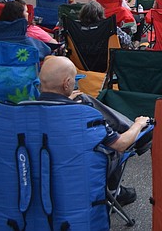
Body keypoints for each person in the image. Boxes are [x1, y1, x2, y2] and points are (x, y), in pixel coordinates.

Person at [38, 56, 150, 206]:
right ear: (66, 84)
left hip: (42, 171)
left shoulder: (22, 112)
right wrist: (139, 124)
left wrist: (62, 99)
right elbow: (121, 144)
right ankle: (115, 191)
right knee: (113, 145)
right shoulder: (83, 113)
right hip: (81, 171)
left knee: (83, 98)